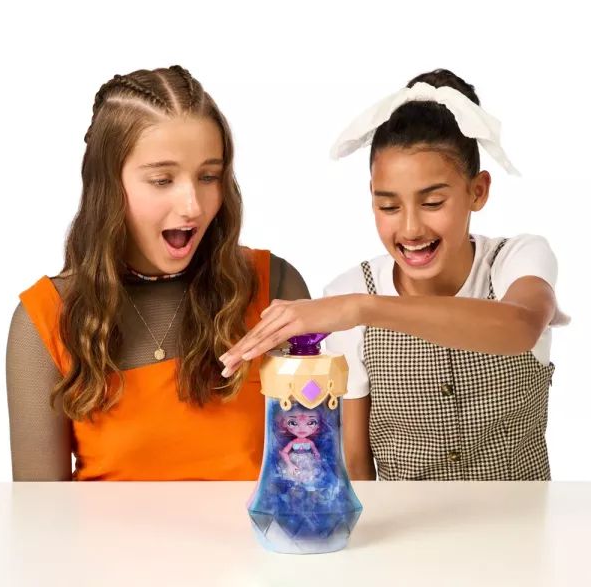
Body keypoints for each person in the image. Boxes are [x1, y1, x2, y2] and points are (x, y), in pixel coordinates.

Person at [221, 69, 569, 481]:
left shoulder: (516, 259)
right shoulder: (352, 288)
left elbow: (521, 327)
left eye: (433, 202)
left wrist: (362, 309)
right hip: (407, 523)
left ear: (478, 191)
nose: (410, 229)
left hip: (525, 519)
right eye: (388, 207)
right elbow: (356, 462)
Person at [6, 65, 309, 481]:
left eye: (209, 176)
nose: (193, 206)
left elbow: (313, 471)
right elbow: (39, 512)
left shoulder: (274, 285)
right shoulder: (45, 318)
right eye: (163, 180)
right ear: (107, 184)